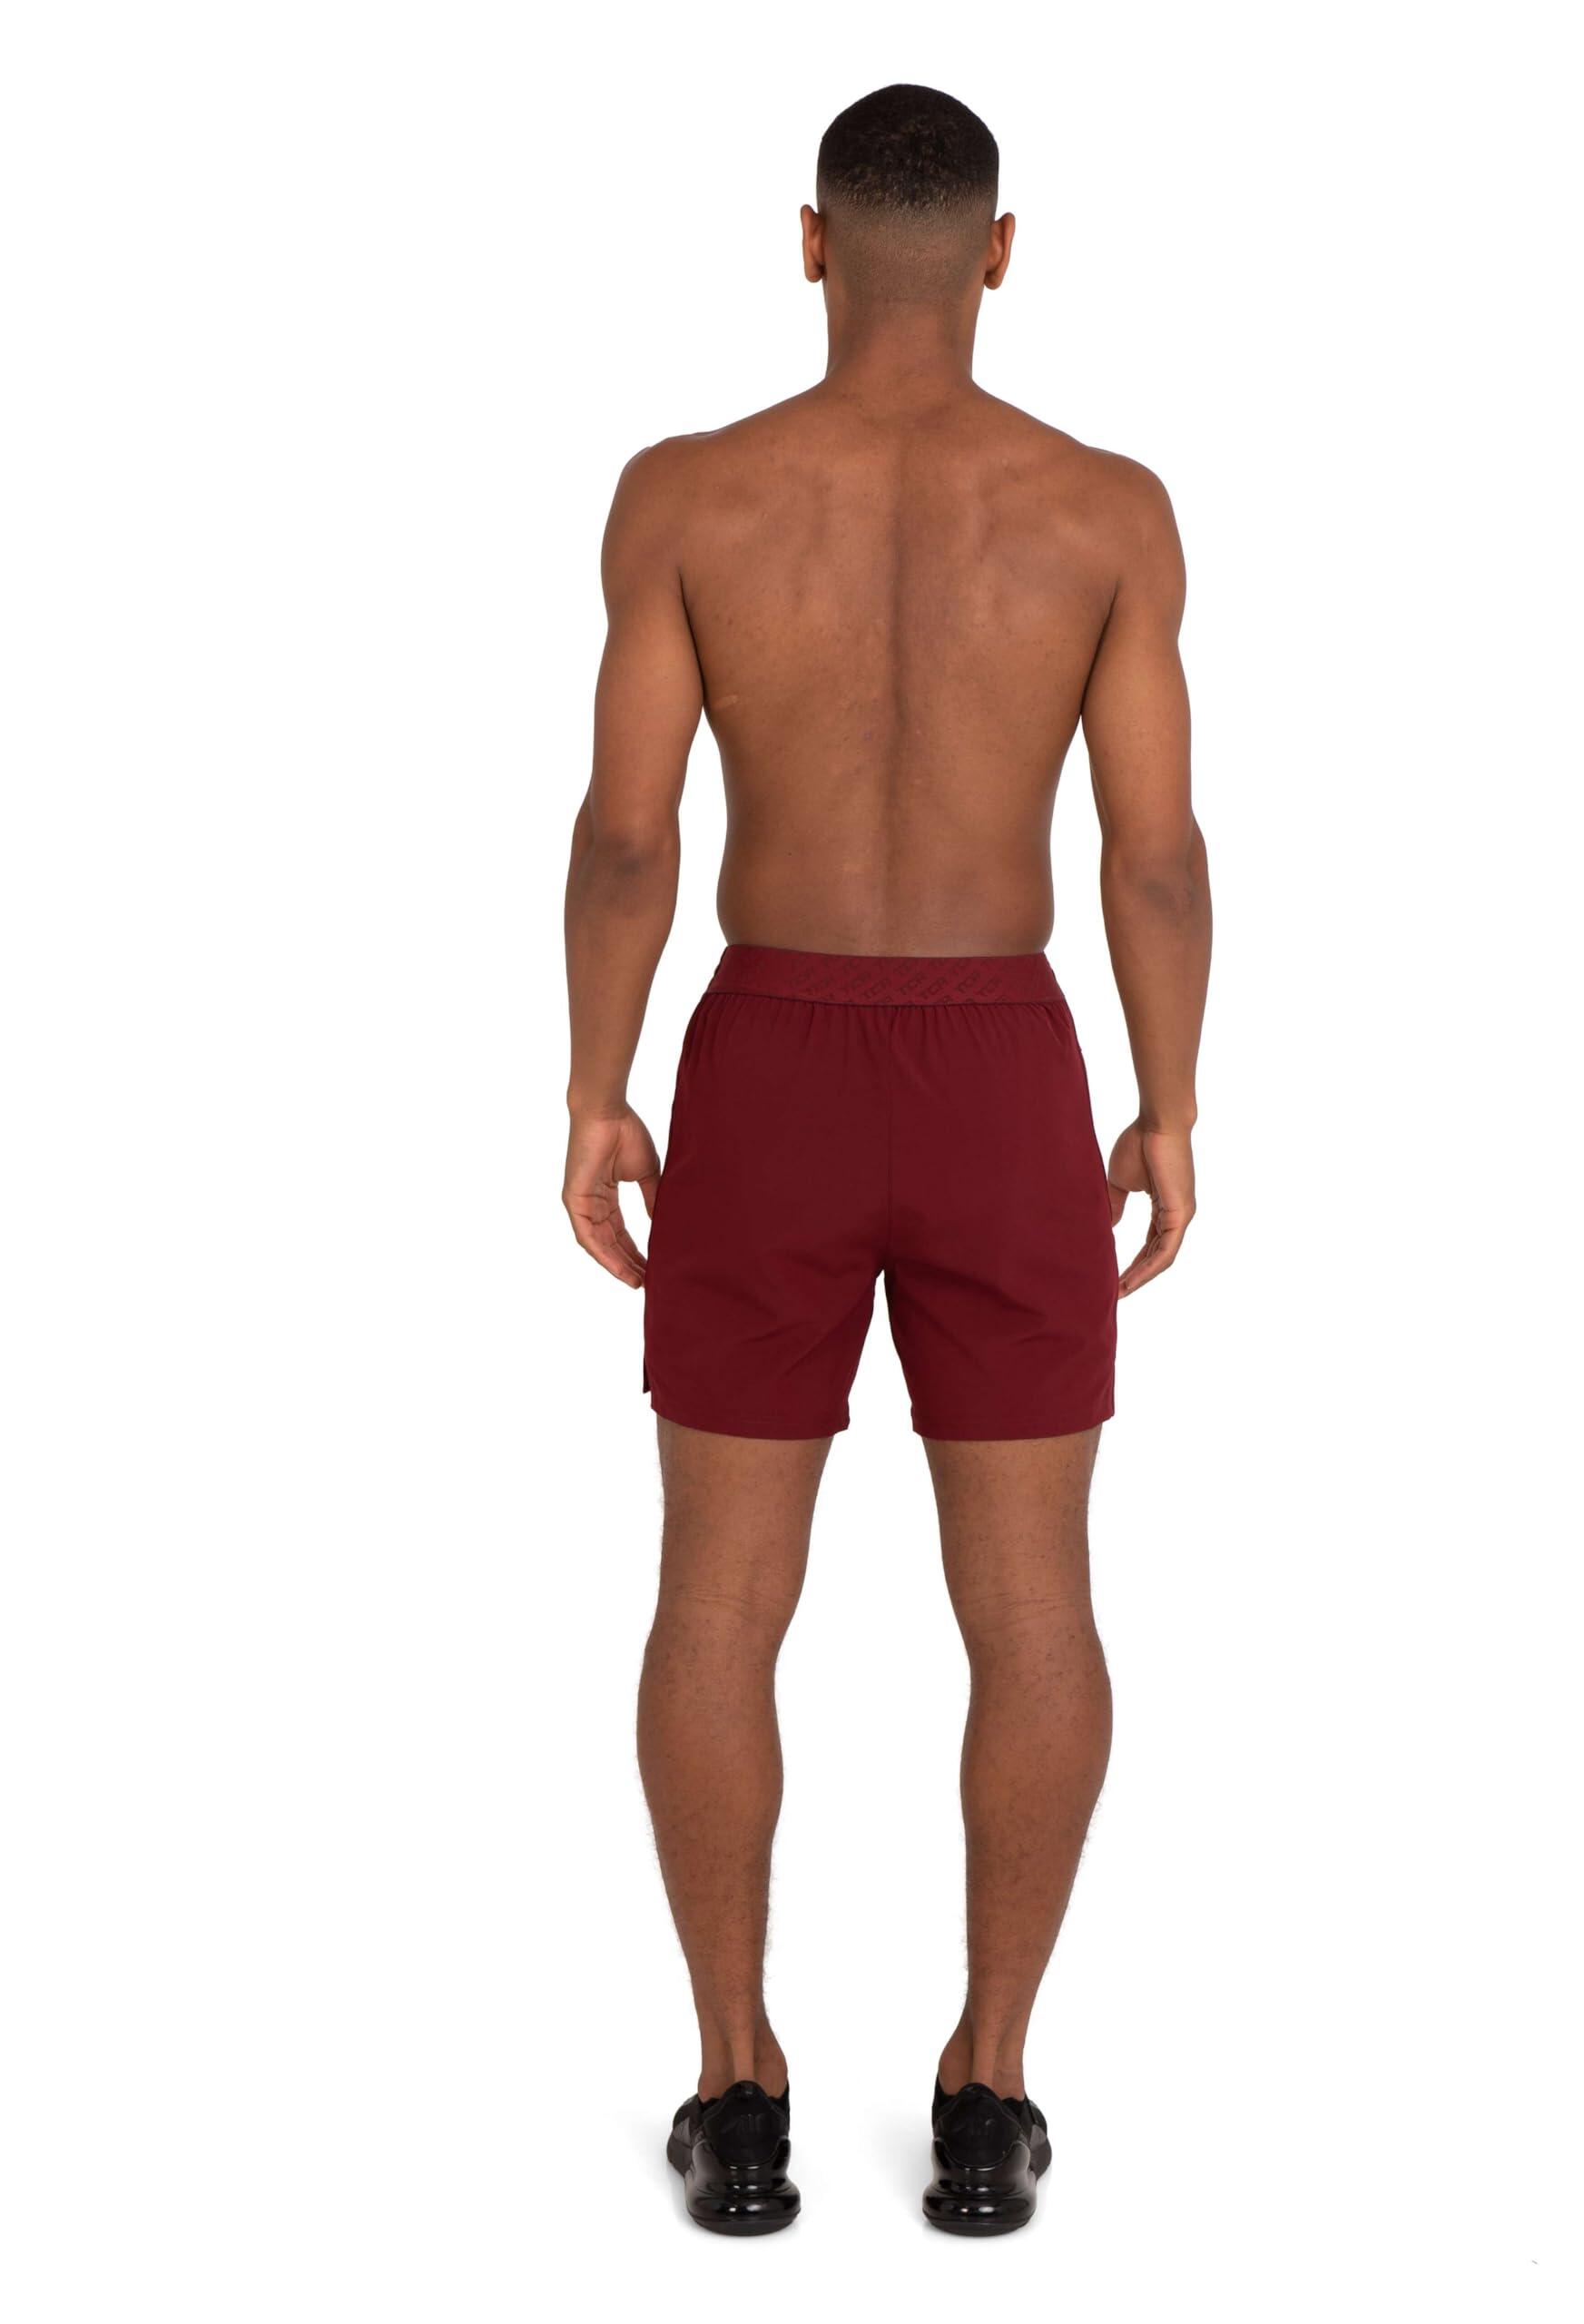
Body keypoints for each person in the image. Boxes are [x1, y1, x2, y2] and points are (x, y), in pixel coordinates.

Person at [562, 84, 1210, 2237]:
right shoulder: (1104, 511)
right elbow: (1151, 854)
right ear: (998, 252)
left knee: (713, 1594)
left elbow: (630, 835)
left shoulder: (687, 494)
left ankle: (734, 2084)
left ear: (812, 242)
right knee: (1030, 1598)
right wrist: (1166, 1098)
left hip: (764, 1056)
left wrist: (595, 1085)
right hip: (1001, 1062)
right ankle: (986, 2086)